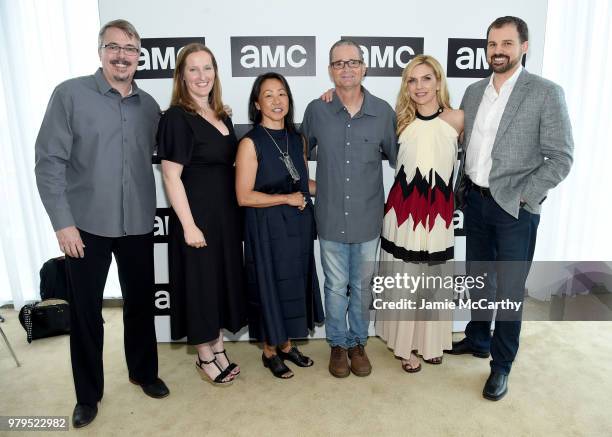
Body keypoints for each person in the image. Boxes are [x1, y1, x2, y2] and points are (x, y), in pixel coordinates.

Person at [34, 19, 169, 428]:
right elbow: (48, 163)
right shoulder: (69, 94)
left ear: (139, 56)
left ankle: (143, 372)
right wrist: (63, 223)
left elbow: (177, 148)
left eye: (130, 49)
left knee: (141, 305)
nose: (122, 55)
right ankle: (88, 395)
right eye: (114, 47)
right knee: (87, 313)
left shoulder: (149, 106)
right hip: (85, 226)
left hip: (138, 224)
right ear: (100, 51)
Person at [448, 16, 573, 400]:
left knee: (508, 291)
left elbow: (561, 158)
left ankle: (501, 365)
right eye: (492, 44)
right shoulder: (472, 91)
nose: (497, 51)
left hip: (515, 210)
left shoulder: (545, 92)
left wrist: (524, 195)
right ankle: (478, 338)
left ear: (524, 46)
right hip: (476, 203)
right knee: (480, 279)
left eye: (506, 43)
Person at [301, 39, 398, 378]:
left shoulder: (384, 112)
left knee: (362, 286)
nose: (346, 69)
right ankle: (338, 346)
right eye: (338, 63)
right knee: (334, 284)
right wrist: (312, 187)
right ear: (330, 70)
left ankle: (358, 343)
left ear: (364, 67)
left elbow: (402, 159)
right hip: (328, 218)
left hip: (368, 219)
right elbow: (297, 155)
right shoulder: (317, 110)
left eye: (352, 62)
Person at [156, 43, 247, 386]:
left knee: (218, 285)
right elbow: (170, 176)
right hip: (196, 220)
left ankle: (219, 348)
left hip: (224, 218)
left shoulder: (220, 114)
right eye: (192, 69)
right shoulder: (177, 117)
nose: (201, 76)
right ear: (181, 76)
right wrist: (189, 225)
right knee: (200, 287)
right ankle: (204, 356)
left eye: (207, 68)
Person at [376, 55, 463, 373]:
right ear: (405, 87)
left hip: (438, 213)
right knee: (405, 281)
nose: (419, 86)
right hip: (403, 214)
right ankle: (404, 346)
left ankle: (430, 342)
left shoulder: (457, 120)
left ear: (438, 81)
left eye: (426, 78)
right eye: (412, 80)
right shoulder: (398, 121)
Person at [235, 72, 324, 379]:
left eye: (282, 93)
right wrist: (285, 199)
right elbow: (244, 195)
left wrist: (335, 188)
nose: (277, 101)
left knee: (292, 286)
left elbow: (303, 182)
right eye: (268, 95)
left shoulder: (296, 137)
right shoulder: (250, 142)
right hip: (266, 227)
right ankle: (269, 351)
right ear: (257, 103)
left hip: (297, 226)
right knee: (269, 286)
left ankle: (286, 344)